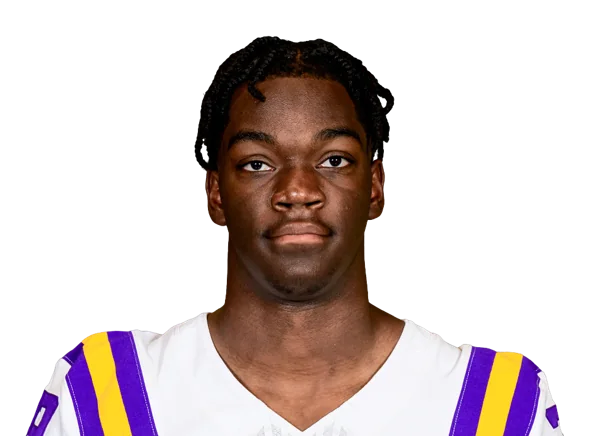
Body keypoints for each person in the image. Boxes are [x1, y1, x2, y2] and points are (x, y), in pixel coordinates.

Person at [28, 35, 561, 435]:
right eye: (257, 164)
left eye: (334, 160)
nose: (298, 190)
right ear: (216, 193)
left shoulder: (499, 407)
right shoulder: (105, 397)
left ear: (375, 187)